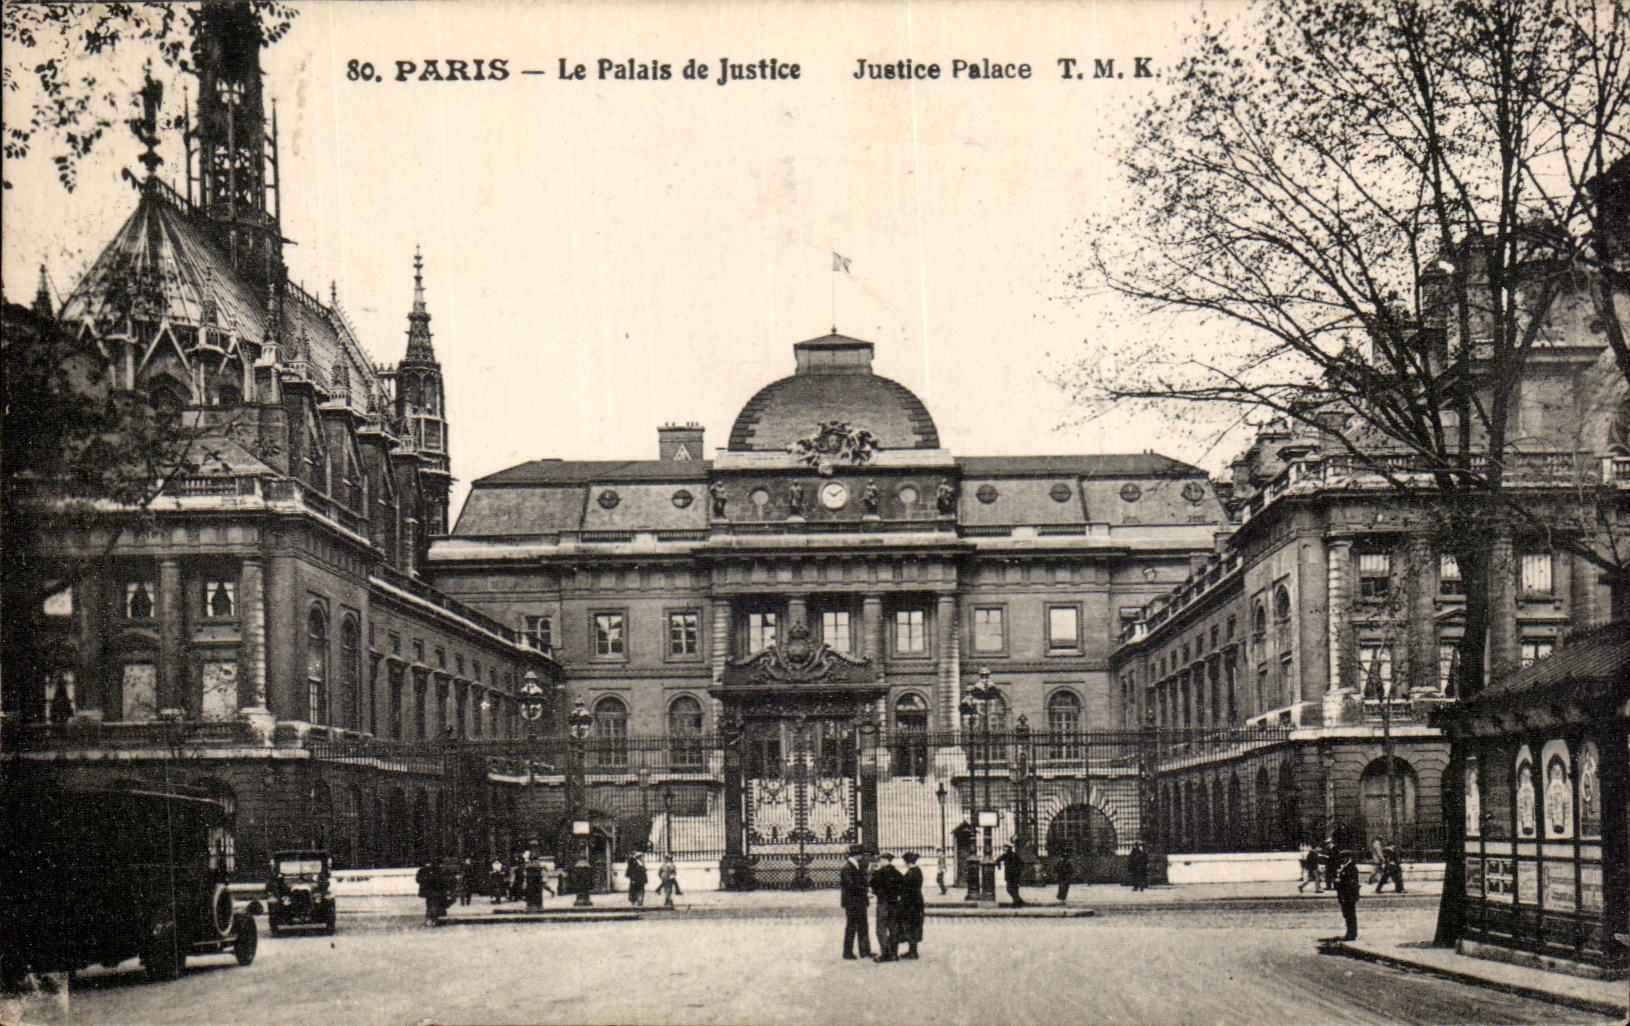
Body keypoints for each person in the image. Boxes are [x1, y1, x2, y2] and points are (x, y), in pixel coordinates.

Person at [839, 845, 873, 960]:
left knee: (862, 926)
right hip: (853, 903)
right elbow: (851, 885)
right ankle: (848, 952)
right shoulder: (848, 868)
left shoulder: (854, 866)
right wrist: (865, 890)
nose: (862, 856)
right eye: (861, 854)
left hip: (858, 902)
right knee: (852, 927)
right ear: (857, 855)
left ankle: (865, 951)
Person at [870, 852, 904, 961]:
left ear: (884, 860)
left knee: (881, 928)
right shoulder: (897, 873)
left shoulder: (879, 873)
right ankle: (893, 953)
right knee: (893, 928)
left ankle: (885, 953)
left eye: (881, 859)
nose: (880, 861)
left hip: (883, 903)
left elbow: (873, 886)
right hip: (894, 903)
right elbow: (902, 887)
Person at [897, 853, 925, 960]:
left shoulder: (912, 872)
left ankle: (913, 952)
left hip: (911, 903)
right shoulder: (916, 871)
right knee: (914, 925)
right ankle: (912, 950)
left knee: (911, 925)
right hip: (916, 901)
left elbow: (906, 887)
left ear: (907, 862)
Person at [1335, 850, 1361, 940]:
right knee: (1347, 915)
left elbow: (1351, 883)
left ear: (1348, 858)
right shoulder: (1346, 868)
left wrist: (1339, 882)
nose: (1342, 860)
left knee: (1350, 915)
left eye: (1343, 858)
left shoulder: (1351, 868)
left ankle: (1351, 934)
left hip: (1349, 895)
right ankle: (1350, 933)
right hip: (1346, 895)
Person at [416, 860, 447, 926]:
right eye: (427, 863)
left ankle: (433, 919)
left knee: (433, 905)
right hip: (429, 891)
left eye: (429, 863)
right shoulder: (422, 870)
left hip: (434, 891)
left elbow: (439, 880)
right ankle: (430, 919)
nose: (428, 864)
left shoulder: (435, 870)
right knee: (430, 905)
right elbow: (418, 879)